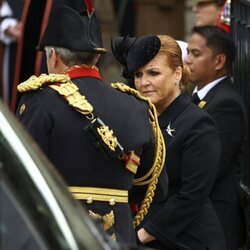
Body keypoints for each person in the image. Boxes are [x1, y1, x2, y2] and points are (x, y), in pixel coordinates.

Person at [15, 5, 167, 247]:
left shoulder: (40, 100)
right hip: (118, 239)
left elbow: (21, 179)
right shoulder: (136, 106)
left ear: (53, 55)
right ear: (96, 56)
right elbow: (152, 185)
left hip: (60, 234)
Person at [112, 34, 226, 249]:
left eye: (153, 73)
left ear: (177, 73)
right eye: (138, 74)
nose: (143, 82)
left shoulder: (198, 123)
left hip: (186, 240)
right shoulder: (140, 117)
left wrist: (141, 235)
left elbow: (192, 196)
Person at [185, 25, 247, 250]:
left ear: (219, 61)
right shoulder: (200, 97)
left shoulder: (225, 103)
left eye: (196, 54)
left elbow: (208, 167)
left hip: (216, 223)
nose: (188, 60)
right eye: (188, 52)